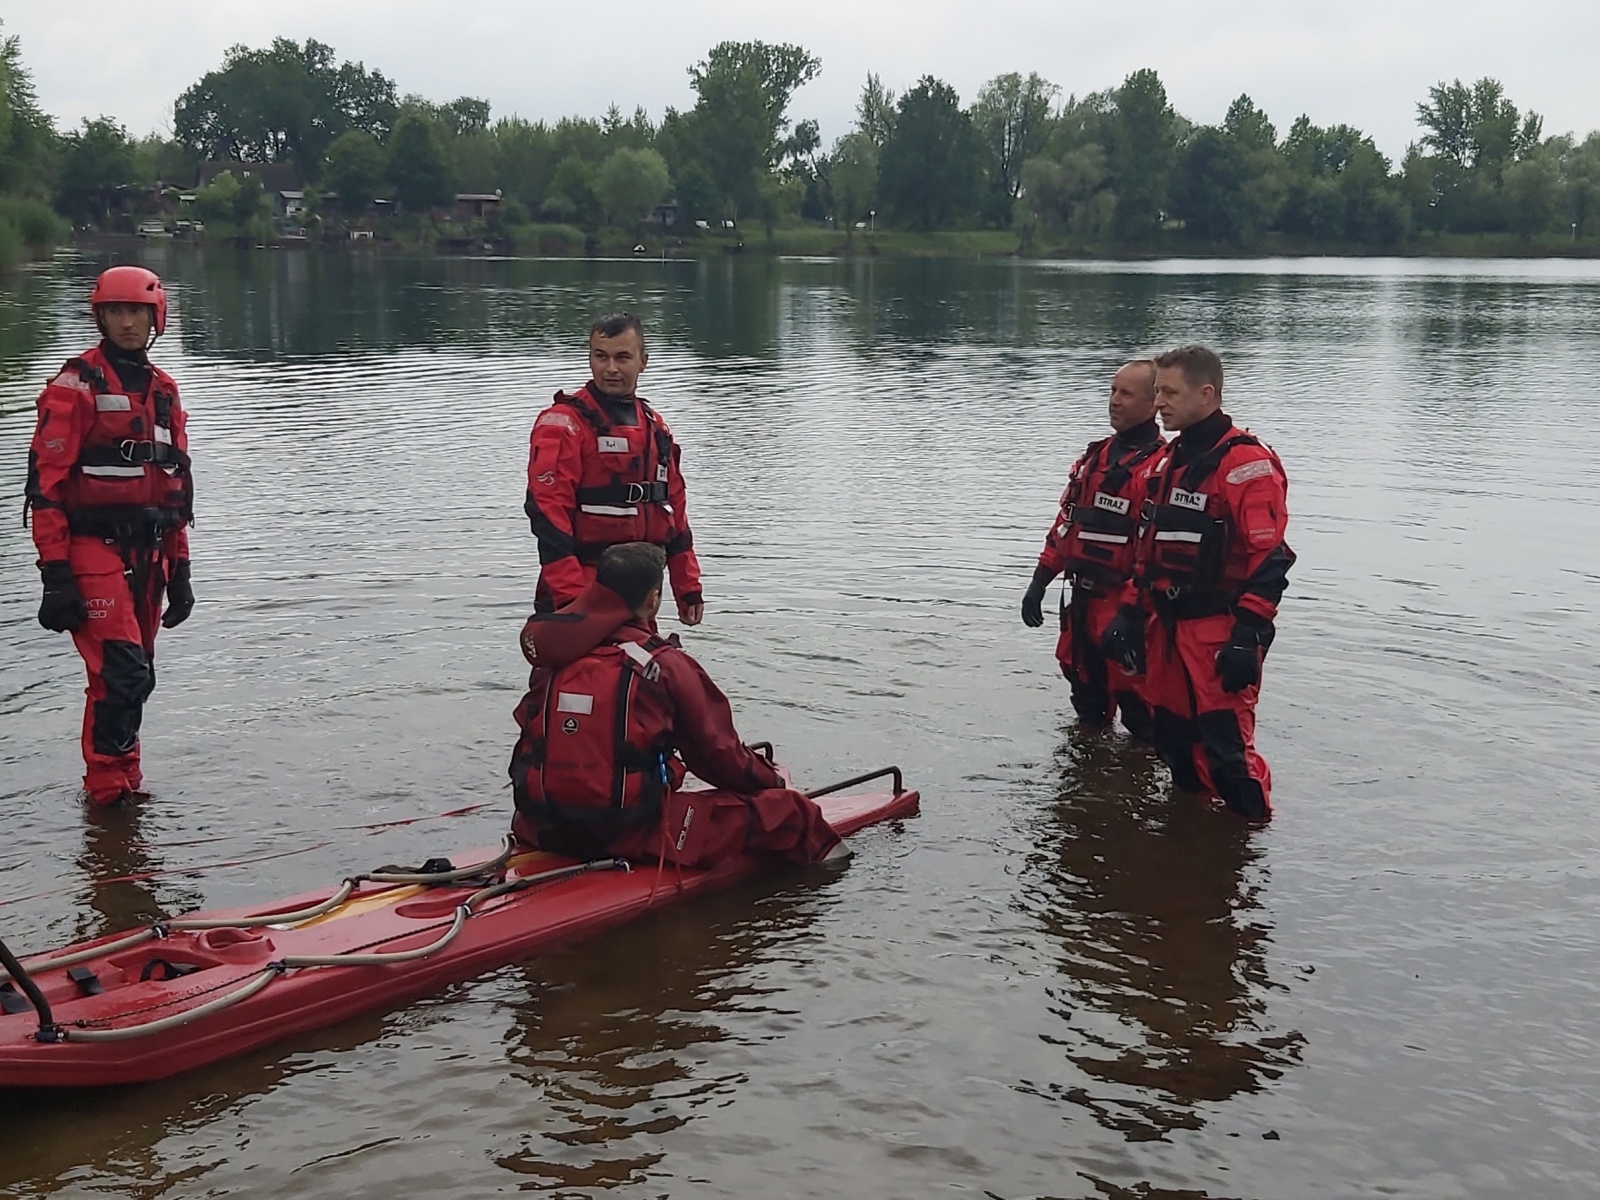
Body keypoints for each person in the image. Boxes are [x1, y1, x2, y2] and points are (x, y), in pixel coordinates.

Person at [508, 542, 844, 867]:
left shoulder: (554, 658)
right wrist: (773, 786)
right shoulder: (665, 666)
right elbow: (717, 755)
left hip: (539, 826)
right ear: (653, 600)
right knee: (794, 816)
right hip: (629, 831)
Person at [24, 265, 195, 807]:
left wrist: (181, 568)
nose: (126, 323)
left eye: (136, 313)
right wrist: (55, 574)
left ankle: (125, 787)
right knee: (122, 671)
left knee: (134, 677)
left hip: (149, 553)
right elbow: (46, 490)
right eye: (116, 312)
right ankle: (103, 794)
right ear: (100, 316)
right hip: (90, 548)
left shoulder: (163, 391)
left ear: (155, 318)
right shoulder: (74, 387)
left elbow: (174, 484)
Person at [1100, 345, 1293, 820]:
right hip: (1164, 625)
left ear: (1206, 393)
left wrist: (1247, 636)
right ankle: (1196, 847)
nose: (1159, 401)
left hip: (1218, 628)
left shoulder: (1245, 464)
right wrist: (1128, 610)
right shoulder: (1168, 462)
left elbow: (1269, 558)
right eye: (1158, 391)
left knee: (1227, 751)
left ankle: (1250, 842)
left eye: (1170, 392)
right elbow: (1147, 548)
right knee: (1173, 743)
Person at [525, 312, 703, 624]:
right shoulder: (563, 425)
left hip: (640, 594)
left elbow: (675, 513)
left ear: (643, 361)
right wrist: (572, 600)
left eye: (622, 358)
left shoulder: (655, 429)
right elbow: (548, 516)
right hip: (583, 586)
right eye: (600, 356)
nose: (610, 369)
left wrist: (687, 588)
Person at [1021, 360, 1165, 737]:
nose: (1114, 401)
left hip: (1127, 606)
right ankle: (1088, 778)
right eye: (1112, 391)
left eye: (1126, 393)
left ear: (1154, 403)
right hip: (1083, 600)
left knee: (1140, 712)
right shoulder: (1093, 459)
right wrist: (1040, 581)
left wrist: (1132, 613)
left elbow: (1156, 553)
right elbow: (1066, 525)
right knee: (1086, 703)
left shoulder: (1161, 470)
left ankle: (1136, 780)